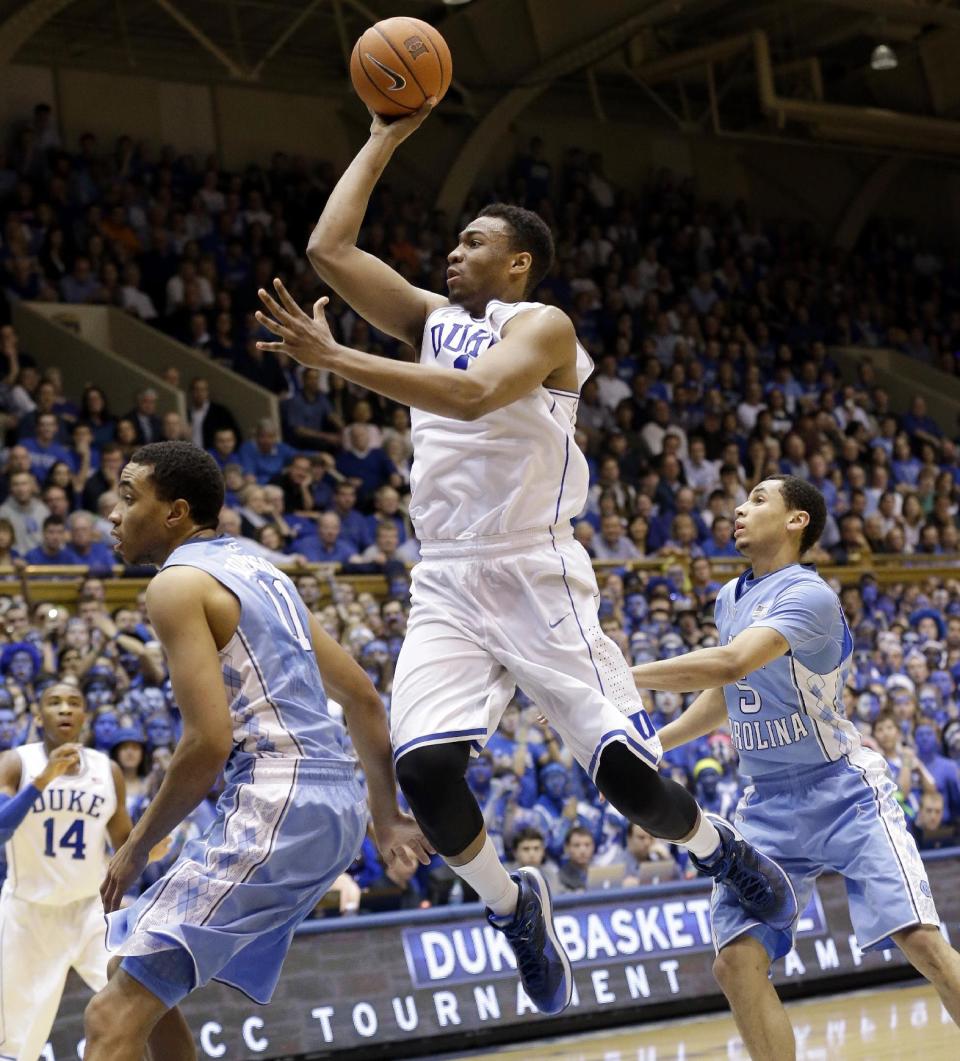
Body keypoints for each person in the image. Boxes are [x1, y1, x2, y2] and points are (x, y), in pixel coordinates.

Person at [254, 101, 798, 1017]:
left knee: (632, 779)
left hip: (534, 568)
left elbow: (472, 397)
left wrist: (338, 358)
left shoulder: (544, 325)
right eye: (453, 243)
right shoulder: (429, 319)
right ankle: (516, 908)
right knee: (425, 773)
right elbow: (329, 252)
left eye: (473, 242)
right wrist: (384, 138)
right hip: (445, 576)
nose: (452, 254)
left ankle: (721, 851)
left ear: (516, 262)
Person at [83, 442, 430, 1060]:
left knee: (109, 1018)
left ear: (175, 512)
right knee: (129, 968)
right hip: (338, 804)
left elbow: (207, 742)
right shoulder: (262, 571)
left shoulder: (176, 585)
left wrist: (135, 847)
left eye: (129, 496)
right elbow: (363, 699)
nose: (112, 512)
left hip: (277, 798)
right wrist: (385, 816)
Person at [630, 475, 960, 1059]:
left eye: (758, 499)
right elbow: (730, 693)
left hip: (844, 792)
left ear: (796, 520)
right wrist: (656, 742)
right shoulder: (729, 598)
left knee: (924, 945)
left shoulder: (809, 596)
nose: (739, 507)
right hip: (768, 803)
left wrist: (621, 676)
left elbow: (732, 663)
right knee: (735, 963)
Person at [0, 682, 167, 1061]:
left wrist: (148, 849)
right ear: (38, 716)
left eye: (73, 703)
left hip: (91, 914)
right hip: (28, 916)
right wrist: (44, 779)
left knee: (144, 1005)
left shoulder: (107, 771)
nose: (64, 709)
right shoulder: (16, 762)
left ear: (84, 717)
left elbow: (123, 843)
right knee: (15, 1044)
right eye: (54, 702)